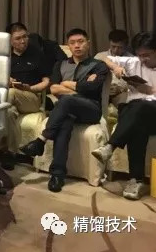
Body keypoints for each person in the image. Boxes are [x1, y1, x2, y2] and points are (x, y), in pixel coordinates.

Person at [20, 28, 108, 192]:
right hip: (66, 110)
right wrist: (81, 87)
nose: (77, 46)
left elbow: (94, 88)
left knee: (66, 101)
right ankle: (57, 174)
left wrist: (66, 84)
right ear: (68, 46)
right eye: (72, 43)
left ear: (88, 43)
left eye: (80, 42)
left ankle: (41, 140)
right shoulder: (60, 64)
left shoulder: (99, 66)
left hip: (91, 109)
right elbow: (53, 89)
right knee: (65, 122)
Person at [91, 31, 156, 200]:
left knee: (140, 106)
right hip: (136, 115)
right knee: (135, 120)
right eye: (140, 55)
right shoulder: (133, 62)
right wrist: (116, 67)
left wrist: (150, 90)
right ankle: (136, 180)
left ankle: (110, 146)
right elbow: (100, 58)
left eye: (147, 55)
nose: (143, 59)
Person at [2, 22, 50, 169]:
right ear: (10, 40)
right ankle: (11, 153)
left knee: (9, 95)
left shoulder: (36, 53)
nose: (23, 41)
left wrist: (30, 88)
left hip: (32, 98)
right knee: (9, 112)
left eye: (25, 37)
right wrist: (6, 80)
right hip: (11, 97)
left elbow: (46, 82)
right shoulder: (5, 56)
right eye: (18, 38)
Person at [95, 29, 133, 105]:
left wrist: (120, 88)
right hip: (102, 91)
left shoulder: (131, 59)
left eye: (120, 47)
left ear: (126, 46)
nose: (116, 50)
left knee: (127, 102)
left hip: (120, 92)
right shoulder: (100, 56)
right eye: (113, 46)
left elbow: (134, 82)